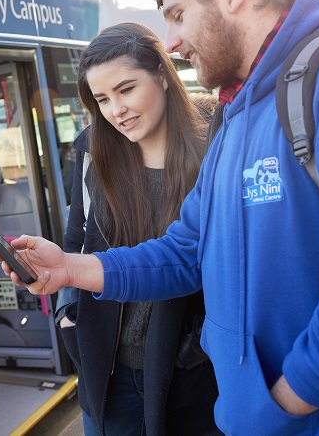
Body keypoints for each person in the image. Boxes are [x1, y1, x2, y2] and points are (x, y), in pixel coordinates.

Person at [0, 0, 319, 435]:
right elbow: (186, 251)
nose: (172, 41)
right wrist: (68, 270)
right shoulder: (237, 116)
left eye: (177, 15)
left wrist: (284, 400)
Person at [54, 22, 219, 435]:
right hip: (106, 370)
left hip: (192, 373)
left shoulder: (219, 139)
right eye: (103, 99)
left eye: (126, 90)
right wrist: (68, 315)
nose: (116, 111)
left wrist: (198, 346)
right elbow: (77, 240)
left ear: (162, 75)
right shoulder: (95, 152)